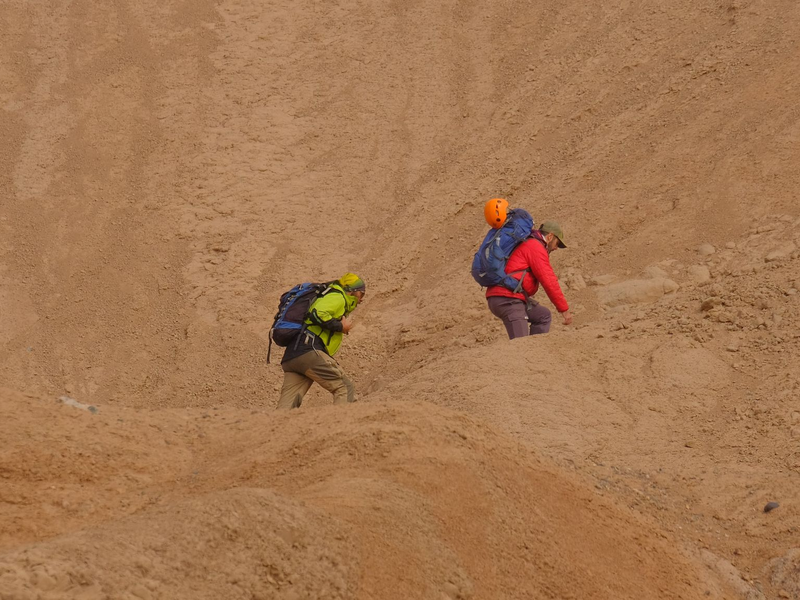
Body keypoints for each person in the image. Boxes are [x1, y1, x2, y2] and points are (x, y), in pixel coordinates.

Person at [277, 273, 366, 409]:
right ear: (353, 291)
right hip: (308, 350)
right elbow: (316, 313)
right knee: (344, 387)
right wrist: (340, 326)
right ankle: (340, 428)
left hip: (293, 356)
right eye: (362, 294)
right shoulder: (338, 296)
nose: (362, 299)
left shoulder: (329, 295)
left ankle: (275, 429)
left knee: (286, 406)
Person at [486, 221, 572, 339]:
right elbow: (549, 280)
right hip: (507, 299)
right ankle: (525, 356)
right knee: (521, 345)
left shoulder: (529, 243)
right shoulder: (535, 247)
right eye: (557, 243)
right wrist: (564, 309)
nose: (556, 248)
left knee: (543, 316)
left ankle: (535, 354)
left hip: (512, 297)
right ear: (550, 236)